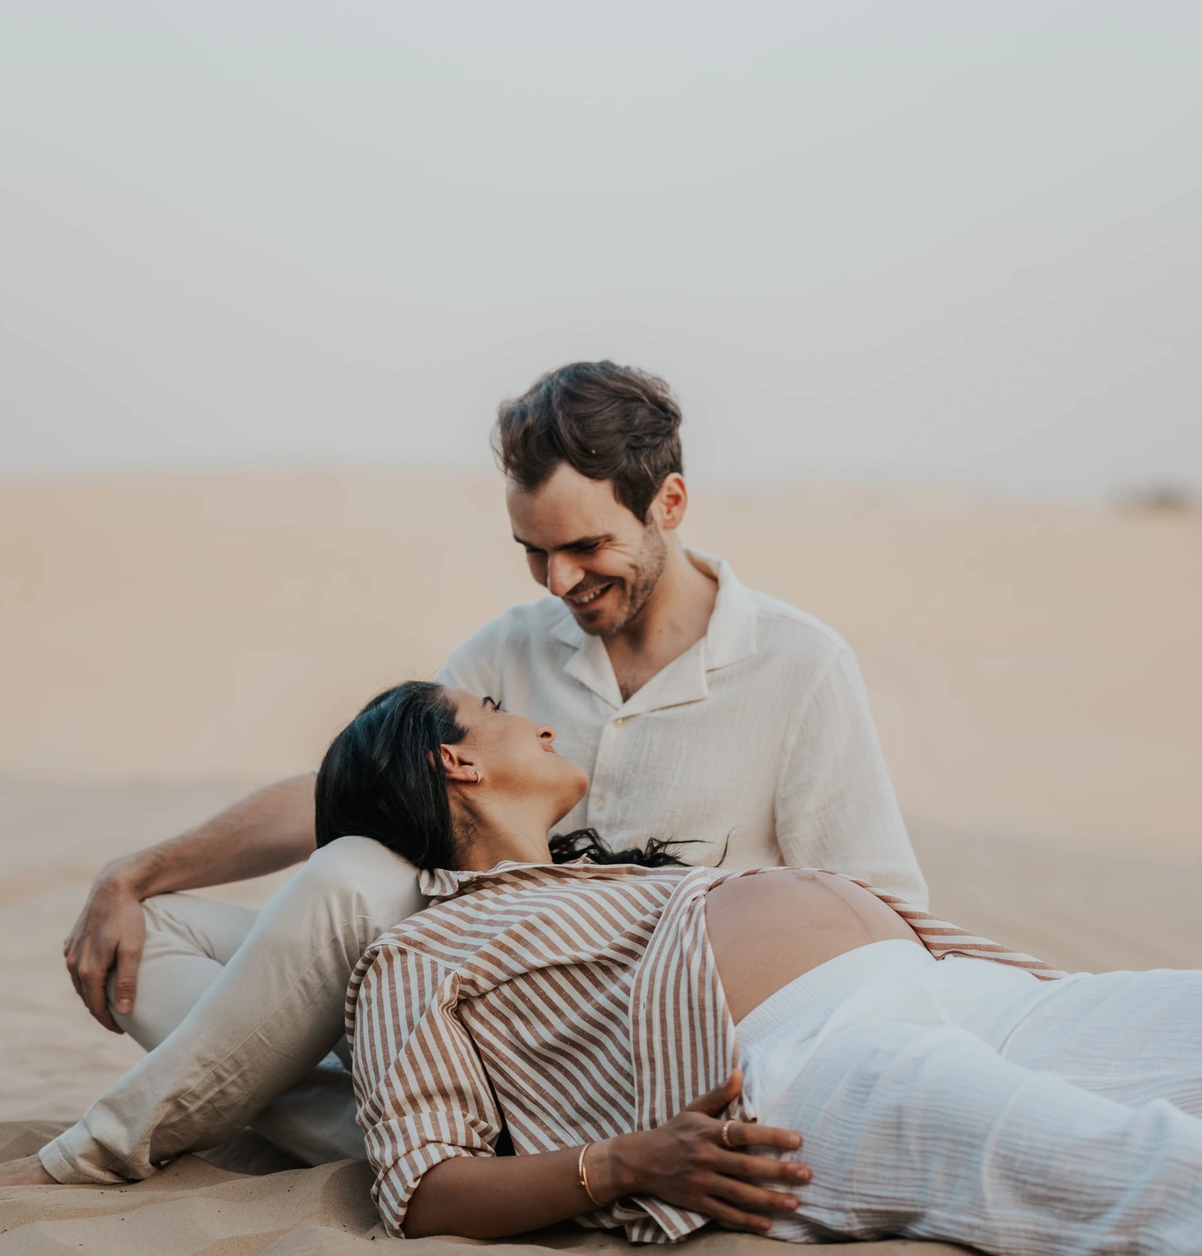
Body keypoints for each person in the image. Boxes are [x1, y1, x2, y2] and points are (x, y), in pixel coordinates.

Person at [0, 682, 1200, 1256]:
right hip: (803, 1071)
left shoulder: (610, 861)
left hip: (978, 989)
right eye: (495, 712)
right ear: (457, 763)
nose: (534, 714)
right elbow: (419, 1185)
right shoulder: (419, 954)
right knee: (1136, 1173)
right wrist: (625, 1163)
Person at [47, 360, 924, 1182]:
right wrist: (133, 873)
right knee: (155, 934)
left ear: (670, 501)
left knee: (351, 875)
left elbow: (873, 907)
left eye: (584, 547)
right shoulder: (510, 648)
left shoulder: (796, 665)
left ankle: (134, 1147)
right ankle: (415, 1140)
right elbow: (349, 794)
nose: (557, 582)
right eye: (532, 551)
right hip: (450, 1000)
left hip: (629, 1055)